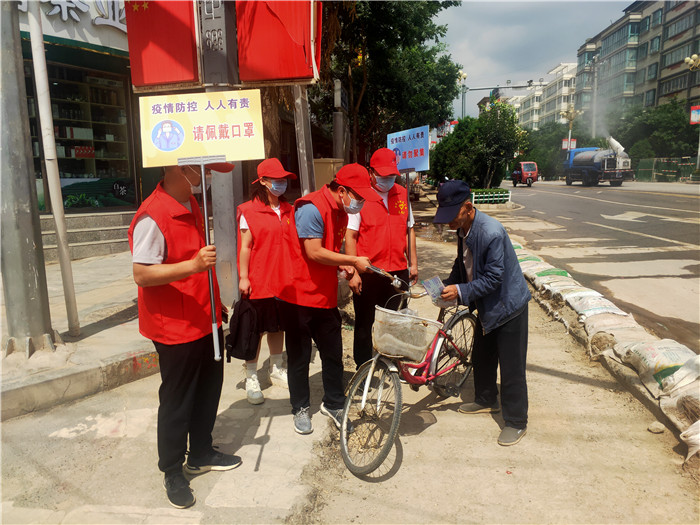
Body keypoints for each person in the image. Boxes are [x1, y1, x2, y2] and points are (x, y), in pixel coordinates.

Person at [128, 162, 241, 509]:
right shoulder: (153, 215)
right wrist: (193, 266)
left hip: (202, 317)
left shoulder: (192, 204)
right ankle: (173, 470)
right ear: (176, 169)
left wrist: (215, 300)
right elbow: (142, 275)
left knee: (209, 387)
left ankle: (201, 451)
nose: (207, 177)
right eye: (201, 170)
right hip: (173, 326)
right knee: (178, 401)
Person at [279, 164, 381, 434]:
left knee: (333, 353)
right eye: (357, 197)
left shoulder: (341, 213)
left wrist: (343, 268)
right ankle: (300, 407)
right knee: (299, 358)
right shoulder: (311, 208)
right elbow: (313, 252)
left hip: (324, 296)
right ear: (342, 190)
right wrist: (352, 260)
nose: (359, 203)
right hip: (298, 296)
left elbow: (329, 251)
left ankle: (334, 402)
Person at [433, 180, 531, 446]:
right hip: (488, 306)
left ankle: (516, 421)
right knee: (482, 355)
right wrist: (448, 285)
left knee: (511, 368)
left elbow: (494, 279)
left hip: (508, 306)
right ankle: (487, 399)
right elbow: (462, 263)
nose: (448, 222)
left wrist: (461, 292)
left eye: (452, 216)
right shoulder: (464, 229)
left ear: (468, 207)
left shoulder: (491, 233)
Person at [345, 147, 418, 369]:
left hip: (397, 270)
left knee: (396, 320)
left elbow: (409, 229)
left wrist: (413, 263)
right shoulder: (362, 196)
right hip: (369, 272)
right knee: (365, 322)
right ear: (371, 172)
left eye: (390, 175)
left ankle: (390, 362)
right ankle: (364, 366)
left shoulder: (402, 194)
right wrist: (353, 271)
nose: (386, 179)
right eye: (382, 174)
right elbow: (351, 235)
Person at [236, 158, 297, 404]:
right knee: (256, 329)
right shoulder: (248, 211)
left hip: (284, 280)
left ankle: (276, 368)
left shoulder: (289, 210)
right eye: (277, 180)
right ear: (262, 181)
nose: (281, 184)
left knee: (278, 326)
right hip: (258, 280)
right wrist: (243, 277)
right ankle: (251, 375)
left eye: (284, 180)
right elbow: (245, 247)